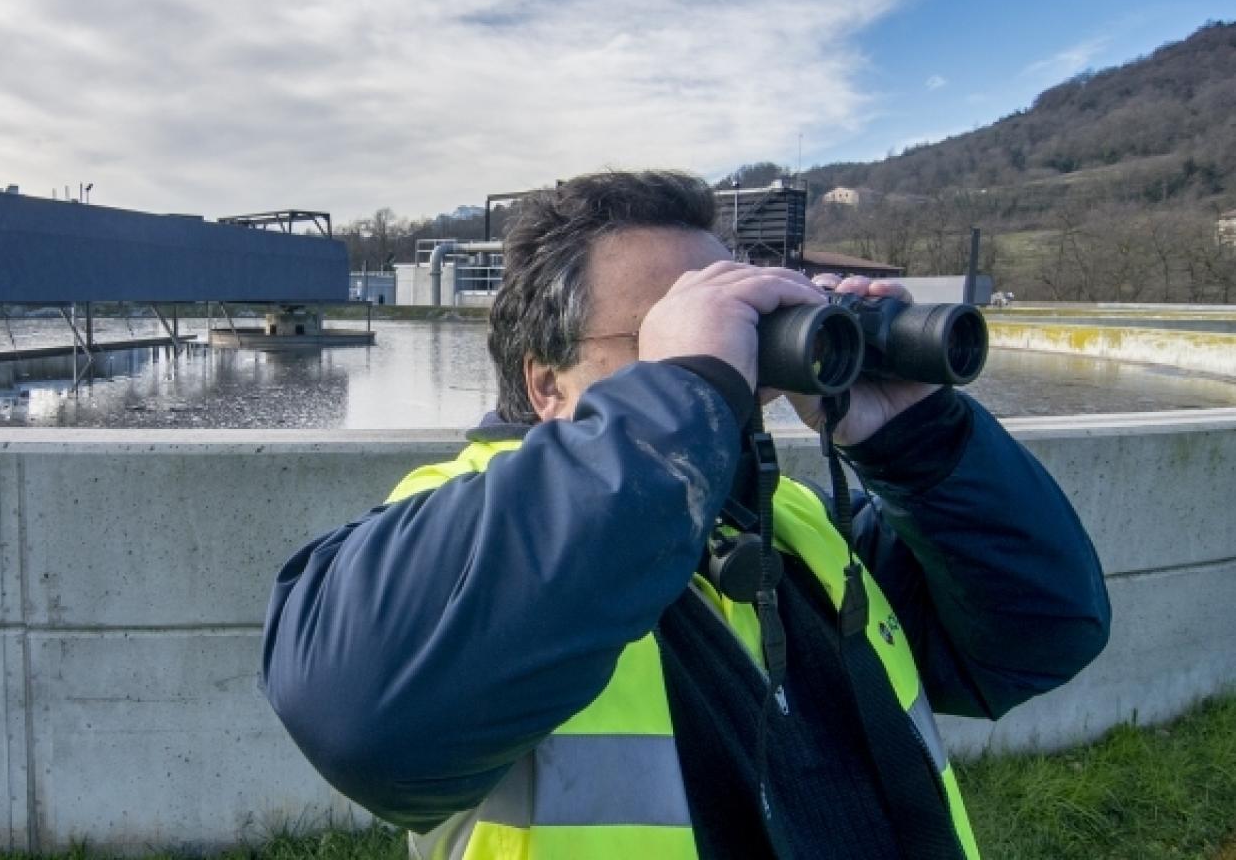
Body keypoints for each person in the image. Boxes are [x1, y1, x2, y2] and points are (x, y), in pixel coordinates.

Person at [261, 170, 1110, 859]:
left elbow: (1038, 634)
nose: (735, 358)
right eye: (672, 330)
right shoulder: (453, 526)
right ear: (544, 383)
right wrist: (686, 395)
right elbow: (363, 725)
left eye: (742, 319)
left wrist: (919, 441)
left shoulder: (797, 529)